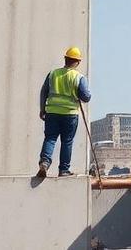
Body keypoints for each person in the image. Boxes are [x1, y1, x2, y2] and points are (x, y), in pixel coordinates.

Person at [37, 47, 91, 177]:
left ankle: (44, 162)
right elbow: (86, 97)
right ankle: (63, 170)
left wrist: (42, 109)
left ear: (65, 59)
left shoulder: (53, 74)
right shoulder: (79, 77)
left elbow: (44, 91)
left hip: (52, 112)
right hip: (69, 114)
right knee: (67, 141)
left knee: (50, 138)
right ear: (78, 62)